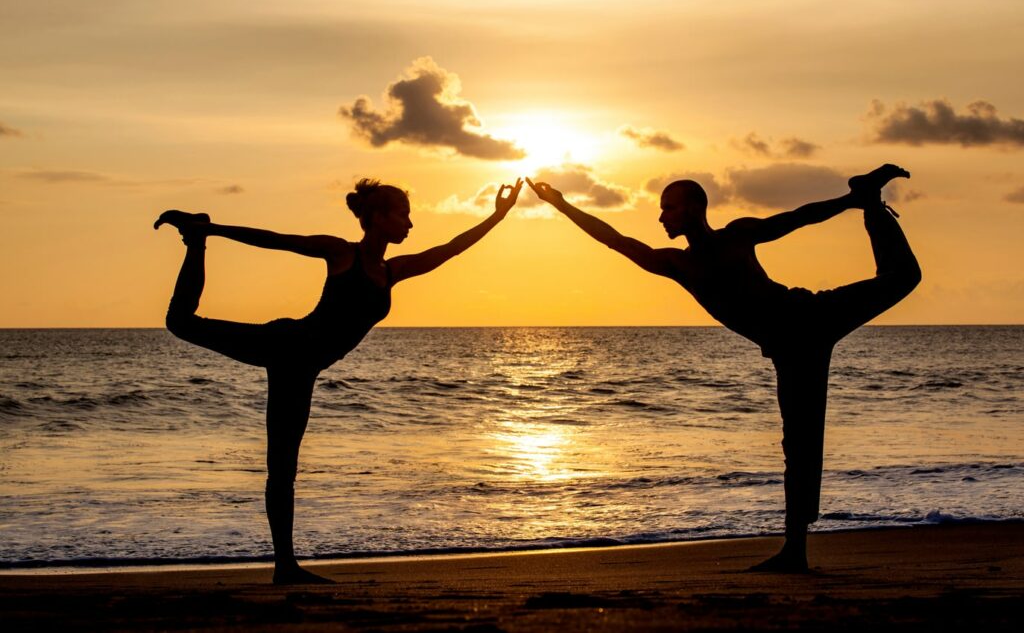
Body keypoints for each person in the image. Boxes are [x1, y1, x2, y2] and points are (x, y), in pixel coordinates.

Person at [527, 164, 920, 573]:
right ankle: (795, 551)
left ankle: (870, 202)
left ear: (696, 208)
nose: (662, 217)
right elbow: (616, 240)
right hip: (791, 349)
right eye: (662, 210)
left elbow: (798, 217)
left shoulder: (738, 235)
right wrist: (561, 204)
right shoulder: (678, 264)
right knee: (800, 444)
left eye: (670, 208)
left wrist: (849, 201)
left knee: (904, 277)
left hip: (810, 317)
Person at [155, 177, 523, 584]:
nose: (410, 225)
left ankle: (285, 567)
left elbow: (449, 250)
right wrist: (212, 230)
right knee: (180, 323)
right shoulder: (340, 252)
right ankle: (196, 239)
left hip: (301, 367)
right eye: (403, 215)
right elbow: (276, 240)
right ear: (378, 218)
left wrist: (498, 215)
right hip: (286, 346)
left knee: (283, 469)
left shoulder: (391, 270)